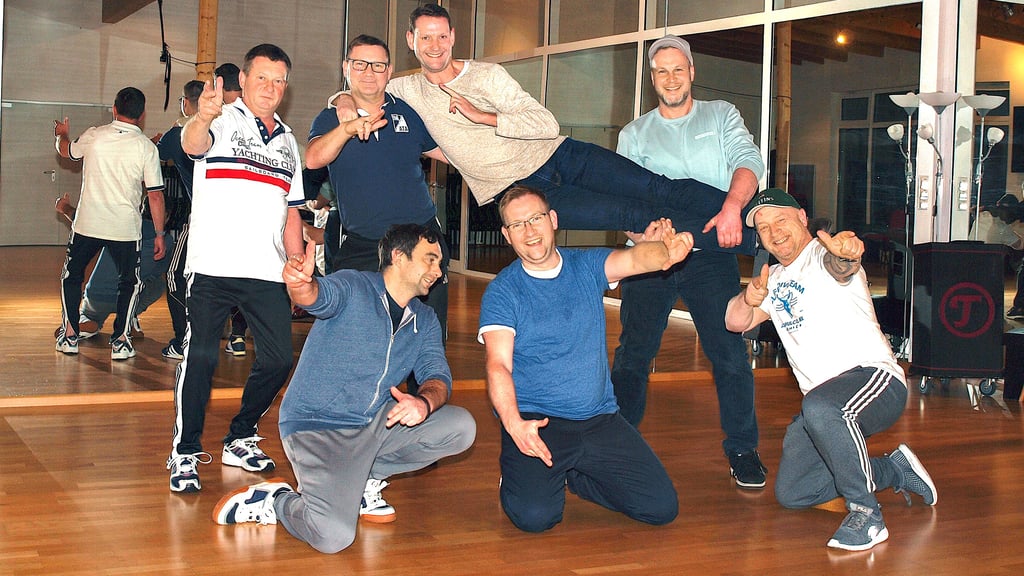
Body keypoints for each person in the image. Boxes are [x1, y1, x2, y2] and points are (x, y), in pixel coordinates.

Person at [330, 3, 755, 255]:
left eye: (441, 36)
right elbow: (353, 87)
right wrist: (344, 103)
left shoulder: (488, 76)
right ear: (411, 41)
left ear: (453, 37)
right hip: (520, 192)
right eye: (425, 39)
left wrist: (485, 117)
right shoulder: (404, 88)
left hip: (561, 153)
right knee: (634, 215)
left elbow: (545, 122)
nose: (434, 46)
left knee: (658, 189)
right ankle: (748, 243)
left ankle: (759, 218)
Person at [212, 224, 476, 555]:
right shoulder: (354, 287)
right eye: (431, 259)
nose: (438, 272)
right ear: (398, 255)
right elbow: (318, 298)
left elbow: (437, 376)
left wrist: (424, 402)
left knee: (461, 427)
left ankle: (365, 479)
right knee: (333, 537)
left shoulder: (424, 319)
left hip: (374, 424)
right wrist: (302, 286)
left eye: (441, 263)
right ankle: (274, 500)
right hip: (316, 426)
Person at [724, 188, 937, 551]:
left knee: (821, 408)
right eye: (762, 227)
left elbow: (843, 266)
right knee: (795, 492)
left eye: (781, 220)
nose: (774, 233)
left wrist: (847, 254)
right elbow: (733, 322)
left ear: (802, 218)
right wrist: (749, 296)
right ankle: (893, 469)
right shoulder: (773, 278)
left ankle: (867, 515)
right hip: (823, 404)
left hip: (874, 379)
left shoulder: (823, 254)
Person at [478, 185, 684, 532]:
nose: (529, 231)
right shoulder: (503, 290)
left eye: (536, 218)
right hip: (538, 423)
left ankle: (573, 476)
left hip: (599, 418)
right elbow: (498, 364)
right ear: (506, 235)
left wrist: (663, 253)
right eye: (517, 225)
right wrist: (514, 424)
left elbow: (634, 260)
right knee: (535, 518)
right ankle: (522, 475)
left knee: (660, 507)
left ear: (553, 220)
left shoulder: (585, 266)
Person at [611, 35, 766, 488]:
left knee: (729, 354)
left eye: (678, 69)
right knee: (633, 355)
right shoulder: (634, 133)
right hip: (654, 259)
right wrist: (644, 236)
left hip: (709, 257)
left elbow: (747, 160)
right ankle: (618, 446)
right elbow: (626, 200)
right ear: (652, 78)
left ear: (692, 72)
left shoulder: (720, 115)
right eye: (661, 71)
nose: (671, 78)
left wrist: (734, 206)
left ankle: (742, 448)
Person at [166, 44, 306, 493]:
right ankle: (185, 451)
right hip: (213, 266)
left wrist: (297, 260)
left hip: (267, 271)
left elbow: (292, 211)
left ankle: (241, 434)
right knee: (202, 357)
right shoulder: (219, 121)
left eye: (279, 80)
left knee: (280, 360)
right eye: (262, 77)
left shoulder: (288, 141)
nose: (271, 87)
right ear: (242, 80)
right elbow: (193, 144)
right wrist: (203, 116)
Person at [307, 34, 451, 343]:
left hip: (421, 241)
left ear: (389, 70)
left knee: (427, 337)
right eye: (360, 64)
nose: (369, 72)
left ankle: (424, 392)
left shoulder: (408, 113)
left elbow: (449, 152)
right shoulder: (331, 117)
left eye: (377, 65)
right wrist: (346, 128)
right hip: (364, 246)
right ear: (346, 67)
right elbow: (314, 158)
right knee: (349, 334)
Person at [53, 86, 166, 361]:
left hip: (87, 225)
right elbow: (155, 195)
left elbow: (66, 152)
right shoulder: (146, 148)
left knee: (72, 275)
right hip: (125, 229)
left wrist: (62, 134)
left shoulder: (94, 135)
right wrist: (160, 233)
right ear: (141, 115)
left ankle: (69, 335)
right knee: (130, 282)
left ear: (114, 110)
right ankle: (121, 341)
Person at [54, 194, 171, 340]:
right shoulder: (166, 241)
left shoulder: (119, 224)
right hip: (127, 295)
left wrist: (64, 207)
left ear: (141, 209)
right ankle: (129, 318)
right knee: (158, 284)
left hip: (97, 296)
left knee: (89, 313)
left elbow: (84, 222)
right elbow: (162, 272)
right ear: (166, 217)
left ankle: (87, 322)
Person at [158, 80, 205, 360]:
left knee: (175, 276)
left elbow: (154, 158)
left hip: (202, 216)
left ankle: (182, 341)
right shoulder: (226, 130)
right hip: (239, 220)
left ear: (186, 103)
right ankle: (236, 337)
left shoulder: (177, 135)